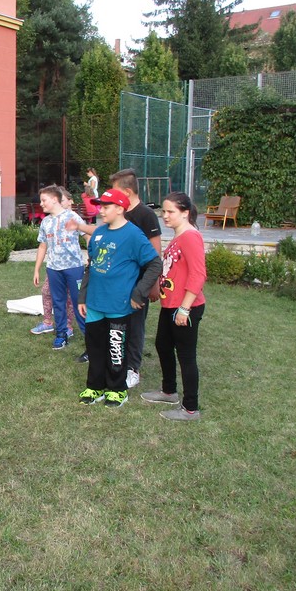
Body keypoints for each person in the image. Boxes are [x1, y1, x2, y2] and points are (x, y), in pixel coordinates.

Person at [73, 188, 161, 407]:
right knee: (95, 347)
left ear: (120, 209)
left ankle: (117, 389)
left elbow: (154, 264)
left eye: (106, 207)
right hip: (95, 303)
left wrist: (138, 293)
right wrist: (83, 296)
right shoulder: (99, 234)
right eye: (100, 206)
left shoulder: (133, 235)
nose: (101, 211)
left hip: (118, 305)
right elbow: (91, 266)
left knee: (116, 349)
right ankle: (95, 386)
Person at [141, 192, 207, 421]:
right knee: (163, 345)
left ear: (185, 213)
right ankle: (169, 391)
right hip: (171, 305)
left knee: (186, 356)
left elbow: (198, 275)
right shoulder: (179, 236)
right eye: (164, 211)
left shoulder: (190, 237)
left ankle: (190, 409)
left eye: (171, 211)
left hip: (185, 308)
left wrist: (185, 309)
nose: (165, 216)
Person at [109, 169, 163, 388]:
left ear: (127, 192)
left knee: (135, 326)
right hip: (118, 283)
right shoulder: (118, 214)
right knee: (117, 323)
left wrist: (153, 284)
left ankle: (133, 368)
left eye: (115, 190)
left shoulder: (146, 215)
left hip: (139, 283)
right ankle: (117, 362)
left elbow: (155, 252)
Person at [33, 184, 85, 354]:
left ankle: (90, 337)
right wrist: (37, 269)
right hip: (54, 269)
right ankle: (61, 334)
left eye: (44, 200)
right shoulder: (46, 222)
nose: (41, 204)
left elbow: (88, 235)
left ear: (55, 199)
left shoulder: (72, 216)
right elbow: (43, 246)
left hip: (74, 268)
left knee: (79, 302)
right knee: (58, 302)